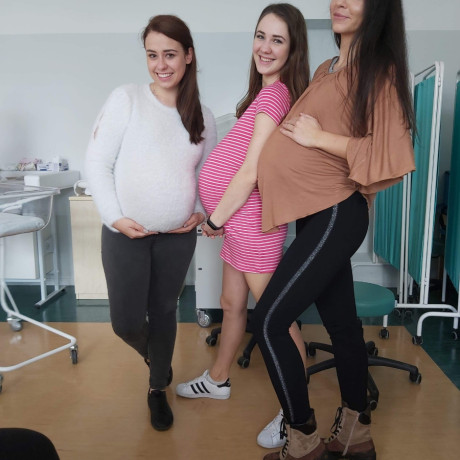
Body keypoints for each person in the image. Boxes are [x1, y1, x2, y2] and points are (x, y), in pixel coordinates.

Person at [252, 0, 416, 459]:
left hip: (337, 212)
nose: (340, 1)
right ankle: (355, 435)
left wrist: (317, 138)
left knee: (268, 321)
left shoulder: (378, 70)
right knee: (342, 325)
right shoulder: (328, 67)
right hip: (314, 212)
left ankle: (302, 439)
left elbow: (391, 152)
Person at [175, 3, 309, 446]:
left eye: (277, 40)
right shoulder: (262, 95)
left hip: (248, 225)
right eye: (260, 36)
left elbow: (249, 172)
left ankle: (297, 413)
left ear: (292, 49)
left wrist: (215, 217)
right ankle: (218, 379)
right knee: (231, 303)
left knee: (276, 318)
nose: (265, 47)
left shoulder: (275, 96)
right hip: (237, 224)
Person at [85, 15, 216, 432]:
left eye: (170, 54)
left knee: (163, 312)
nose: (161, 65)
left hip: (176, 237)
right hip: (125, 234)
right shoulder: (126, 99)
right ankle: (155, 358)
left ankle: (157, 386)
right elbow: (97, 164)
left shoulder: (202, 116)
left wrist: (200, 209)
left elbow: (207, 174)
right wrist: (115, 217)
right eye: (152, 55)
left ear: (188, 56)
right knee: (125, 322)